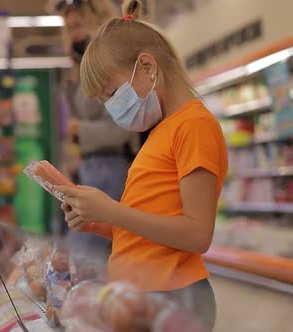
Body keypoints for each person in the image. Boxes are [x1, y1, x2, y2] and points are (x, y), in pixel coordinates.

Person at [56, 0, 228, 329]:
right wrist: (95, 220)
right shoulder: (161, 131)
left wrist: (111, 211)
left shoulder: (194, 126)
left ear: (147, 67)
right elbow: (150, 229)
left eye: (112, 94)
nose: (111, 108)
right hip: (145, 292)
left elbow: (196, 234)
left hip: (174, 294)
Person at [56, 0, 139, 269]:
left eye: (79, 25)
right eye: (70, 28)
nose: (75, 33)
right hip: (91, 167)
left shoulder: (109, 65)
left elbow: (121, 129)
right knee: (88, 252)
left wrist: (80, 129)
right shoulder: (76, 69)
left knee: (85, 256)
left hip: (112, 166)